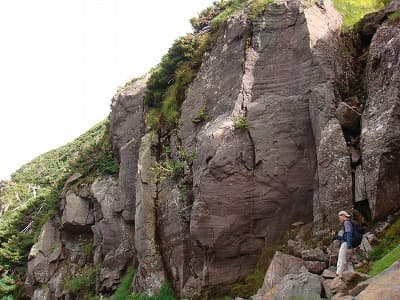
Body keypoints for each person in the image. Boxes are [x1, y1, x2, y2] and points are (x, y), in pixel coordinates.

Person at [332, 210, 354, 276]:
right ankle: (352, 274)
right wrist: (336, 236)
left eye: (339, 217)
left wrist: (349, 247)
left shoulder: (346, 223)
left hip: (346, 244)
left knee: (341, 259)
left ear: (343, 216)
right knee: (348, 262)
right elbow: (344, 238)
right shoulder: (348, 223)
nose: (339, 219)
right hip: (347, 243)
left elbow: (349, 234)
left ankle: (338, 275)